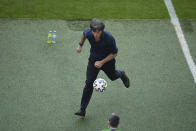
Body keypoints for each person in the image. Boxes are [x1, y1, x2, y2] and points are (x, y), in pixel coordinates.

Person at [75, 18, 130, 117]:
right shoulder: (89, 33)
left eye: (98, 32)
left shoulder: (109, 38)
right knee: (88, 84)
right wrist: (80, 45)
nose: (96, 34)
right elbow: (84, 34)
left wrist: (102, 62)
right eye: (94, 32)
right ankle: (82, 109)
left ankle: (121, 74)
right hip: (93, 61)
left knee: (113, 77)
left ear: (101, 31)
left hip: (107, 62)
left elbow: (114, 53)